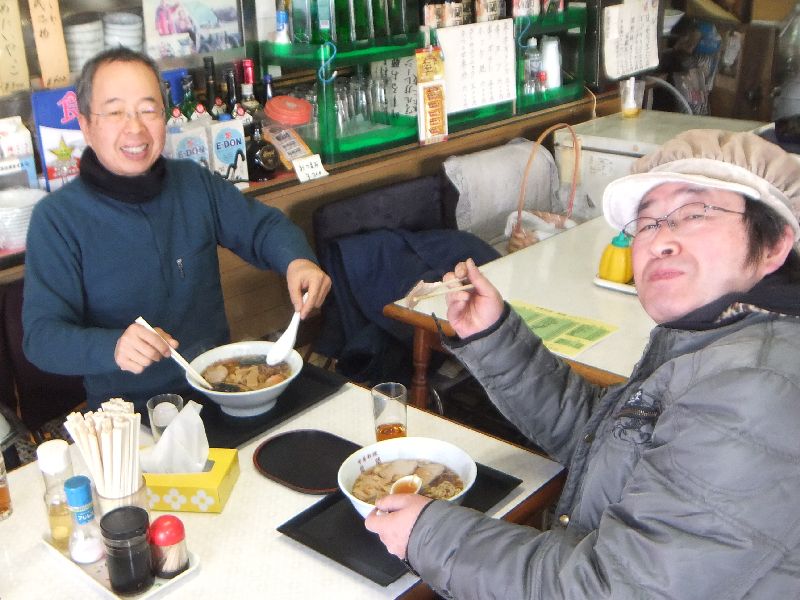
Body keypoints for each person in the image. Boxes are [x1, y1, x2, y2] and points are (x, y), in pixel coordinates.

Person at [365, 129, 800, 598]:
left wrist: (427, 534)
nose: (661, 240)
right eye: (647, 223)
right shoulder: (714, 342)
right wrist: (493, 334)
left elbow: (611, 590)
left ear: (775, 245)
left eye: (695, 213)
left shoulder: (755, 390)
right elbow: (609, 439)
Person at [22, 47, 331, 412]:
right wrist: (113, 347)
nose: (135, 127)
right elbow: (41, 337)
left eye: (147, 110)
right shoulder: (57, 218)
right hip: (132, 415)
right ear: (87, 125)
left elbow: (262, 228)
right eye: (116, 112)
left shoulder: (192, 182)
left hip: (218, 393)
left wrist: (297, 260)